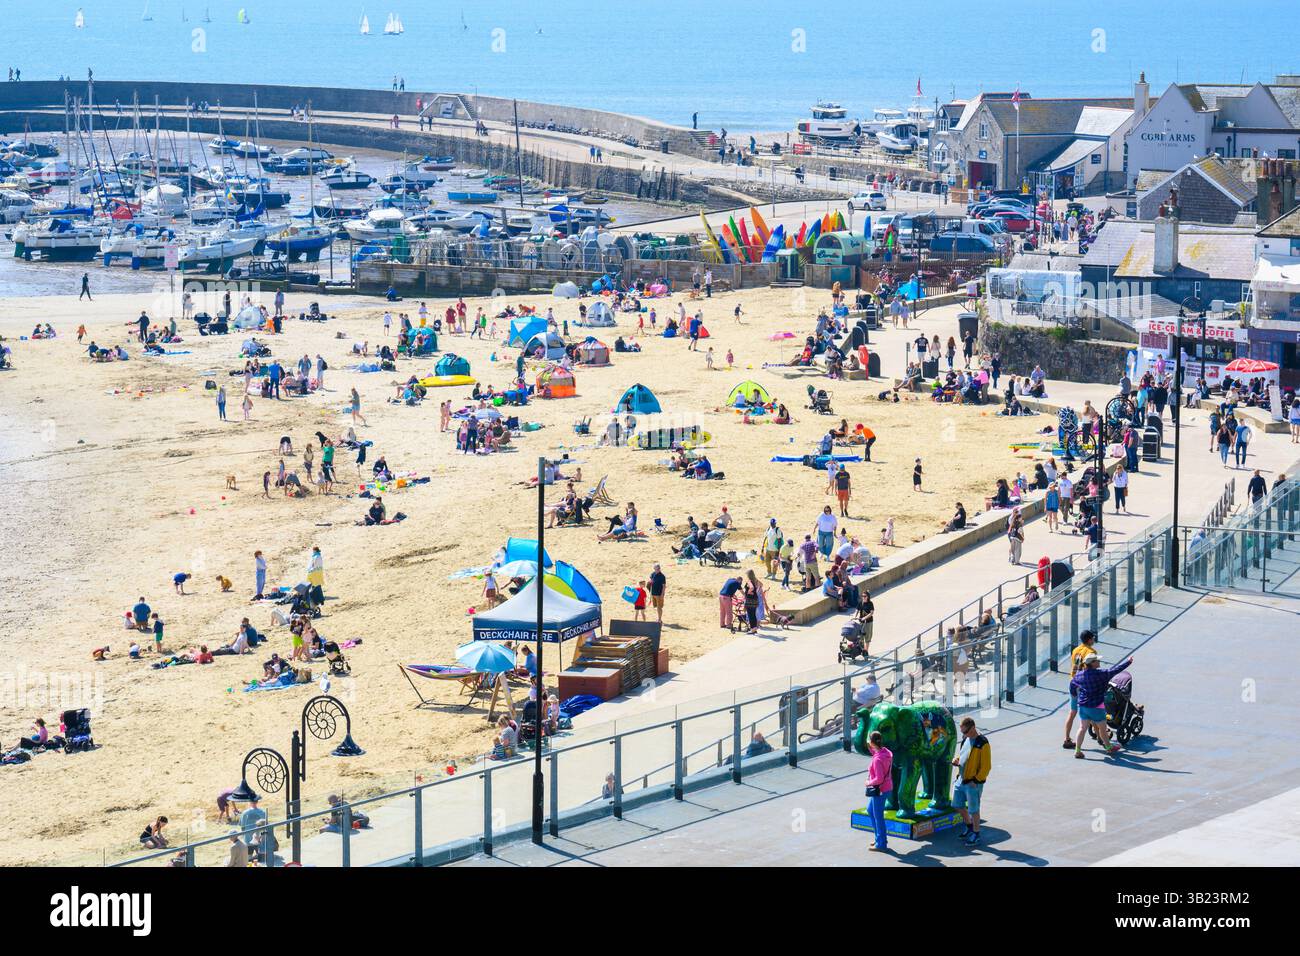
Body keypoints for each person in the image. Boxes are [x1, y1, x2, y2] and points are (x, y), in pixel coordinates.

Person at [1071, 653, 1133, 758]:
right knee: (1102, 729)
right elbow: (1116, 670)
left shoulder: (1079, 675)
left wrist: (1074, 695)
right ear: (1093, 663)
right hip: (1097, 707)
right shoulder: (1101, 674)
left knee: (1082, 728)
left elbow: (1073, 685)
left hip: (1083, 706)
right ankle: (1109, 748)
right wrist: (1128, 661)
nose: (1099, 662)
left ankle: (1077, 750)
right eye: (1097, 660)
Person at [951, 717, 991, 846]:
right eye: (962, 732)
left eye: (965, 732)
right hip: (961, 779)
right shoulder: (965, 739)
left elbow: (986, 766)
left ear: (973, 728)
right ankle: (969, 826)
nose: (963, 734)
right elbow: (963, 754)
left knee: (974, 809)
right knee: (957, 805)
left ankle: (976, 833)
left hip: (973, 783)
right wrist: (957, 760)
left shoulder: (982, 743)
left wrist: (977, 780)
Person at [1061, 629, 1098, 748]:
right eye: (1092, 638)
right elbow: (1092, 669)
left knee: (1072, 712)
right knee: (1090, 710)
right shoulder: (1091, 651)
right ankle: (1101, 736)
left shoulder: (1076, 650)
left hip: (1073, 682)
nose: (1094, 639)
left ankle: (1066, 739)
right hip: (1084, 684)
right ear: (1089, 640)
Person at [864, 730, 893, 852]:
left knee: (878, 817)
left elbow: (879, 778)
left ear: (872, 742)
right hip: (887, 787)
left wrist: (868, 783)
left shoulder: (877, 760)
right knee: (871, 810)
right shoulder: (886, 752)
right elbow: (874, 751)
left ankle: (881, 844)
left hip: (880, 790)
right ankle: (879, 838)